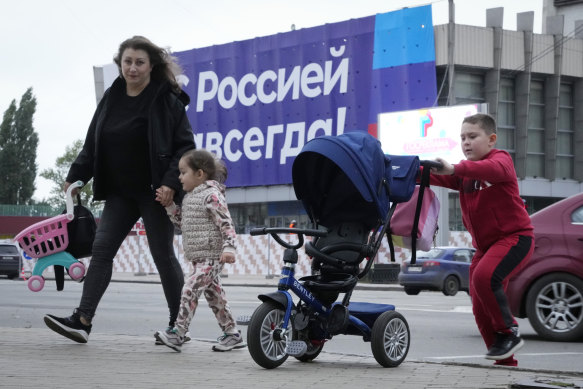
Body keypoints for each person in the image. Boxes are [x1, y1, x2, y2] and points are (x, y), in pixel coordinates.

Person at [44, 36, 195, 343]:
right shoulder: (112, 96)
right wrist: (75, 178)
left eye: (139, 62)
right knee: (101, 250)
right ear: (120, 64)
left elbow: (185, 148)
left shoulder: (167, 99)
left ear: (151, 65)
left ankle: (177, 326)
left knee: (162, 255)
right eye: (127, 62)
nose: (133, 68)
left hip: (154, 193)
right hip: (119, 191)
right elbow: (93, 143)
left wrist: (169, 183)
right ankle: (82, 320)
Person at [429, 113, 534, 367]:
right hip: (485, 247)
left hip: (515, 238)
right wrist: (407, 170)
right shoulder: (464, 175)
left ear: (491, 139)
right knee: (478, 302)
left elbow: (489, 169)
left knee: (484, 277)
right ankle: (504, 360)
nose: (466, 142)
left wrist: (454, 167)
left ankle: (509, 332)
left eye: (473, 136)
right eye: (463, 137)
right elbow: (434, 176)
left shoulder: (501, 161)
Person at [154, 149, 245, 352]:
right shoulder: (190, 198)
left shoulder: (212, 195)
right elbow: (182, 224)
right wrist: (169, 206)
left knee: (189, 288)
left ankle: (178, 333)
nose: (179, 177)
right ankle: (232, 334)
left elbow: (226, 223)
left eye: (183, 172)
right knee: (215, 297)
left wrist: (229, 247)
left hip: (212, 255)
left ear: (200, 174)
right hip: (199, 257)